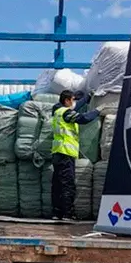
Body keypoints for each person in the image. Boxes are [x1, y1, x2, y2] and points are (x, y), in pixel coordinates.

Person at [51, 90, 101, 221]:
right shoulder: (66, 113)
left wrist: (86, 97)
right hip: (65, 154)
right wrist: (98, 111)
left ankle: (57, 213)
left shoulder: (57, 111)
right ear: (67, 101)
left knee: (57, 185)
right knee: (67, 184)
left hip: (57, 153)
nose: (74, 102)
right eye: (72, 100)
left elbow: (76, 106)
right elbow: (83, 118)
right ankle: (68, 214)